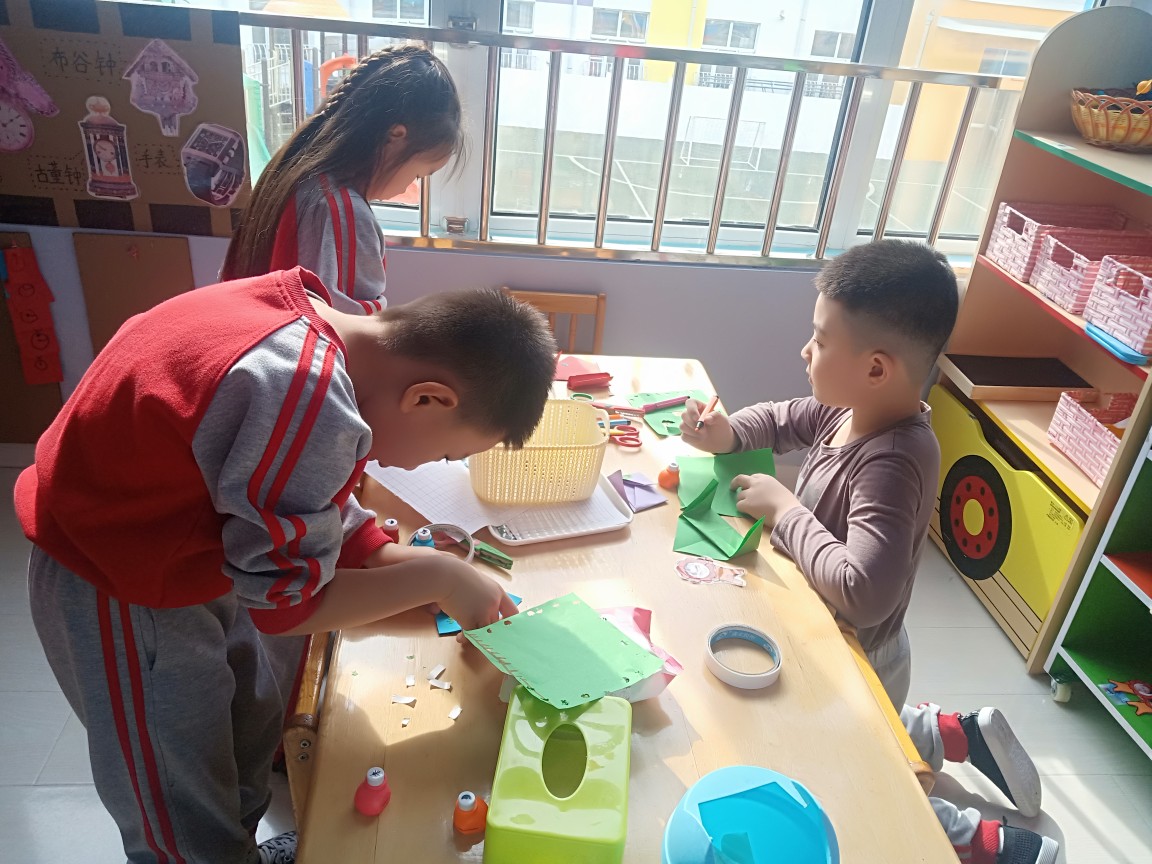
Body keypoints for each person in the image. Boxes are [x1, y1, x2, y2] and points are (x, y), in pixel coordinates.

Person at [14, 268, 557, 864]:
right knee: (178, 791)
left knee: (246, 725)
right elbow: (289, 608)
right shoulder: (306, 394)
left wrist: (381, 553)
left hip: (196, 552)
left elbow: (292, 489)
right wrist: (438, 576)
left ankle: (238, 848)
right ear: (428, 398)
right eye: (449, 453)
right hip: (118, 584)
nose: (426, 466)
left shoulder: (320, 325)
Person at [680, 240, 1057, 864]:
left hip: (857, 657)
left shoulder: (893, 459)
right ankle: (951, 734)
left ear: (877, 368)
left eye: (820, 340)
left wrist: (786, 510)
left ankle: (982, 841)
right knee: (864, 734)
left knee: (848, 777)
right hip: (831, 639)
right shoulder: (852, 409)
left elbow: (864, 589)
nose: (805, 351)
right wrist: (729, 432)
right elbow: (783, 418)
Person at [222, 44, 462, 312]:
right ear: (395, 136)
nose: (409, 185)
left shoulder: (291, 171)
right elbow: (352, 325)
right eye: (417, 174)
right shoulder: (342, 211)